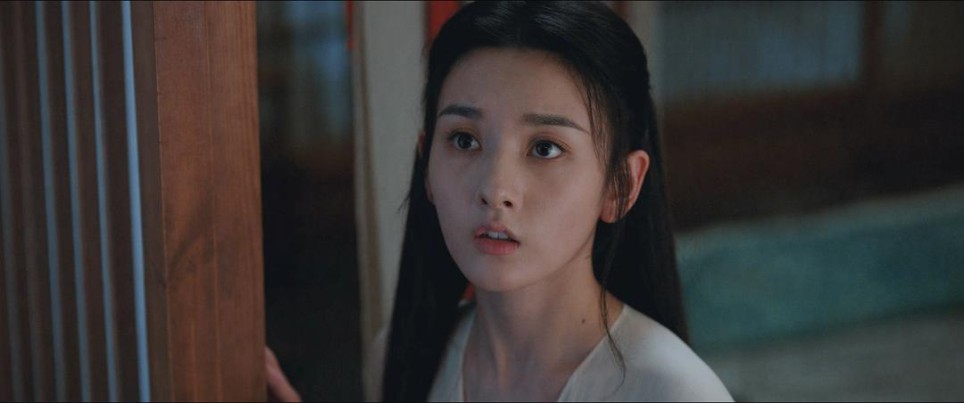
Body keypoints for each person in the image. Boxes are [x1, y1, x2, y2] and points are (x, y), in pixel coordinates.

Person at [269, 1, 732, 401]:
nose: (495, 188)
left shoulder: (672, 392)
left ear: (620, 186)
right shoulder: (400, 357)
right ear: (426, 164)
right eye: (464, 140)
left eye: (545, 148)